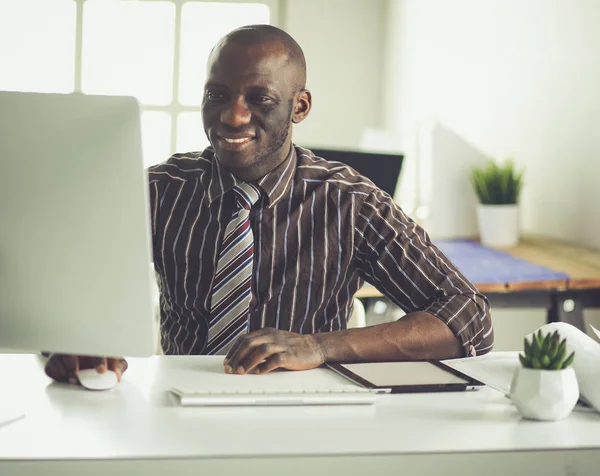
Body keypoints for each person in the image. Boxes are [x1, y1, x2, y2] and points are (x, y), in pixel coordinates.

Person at [45, 25, 493, 384]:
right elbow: (66, 289)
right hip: (177, 406)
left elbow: (469, 318)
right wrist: (69, 341)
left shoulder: (352, 203)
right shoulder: (160, 190)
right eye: (217, 94)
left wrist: (320, 346)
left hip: (302, 416)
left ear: (300, 107)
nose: (232, 116)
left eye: (259, 99)